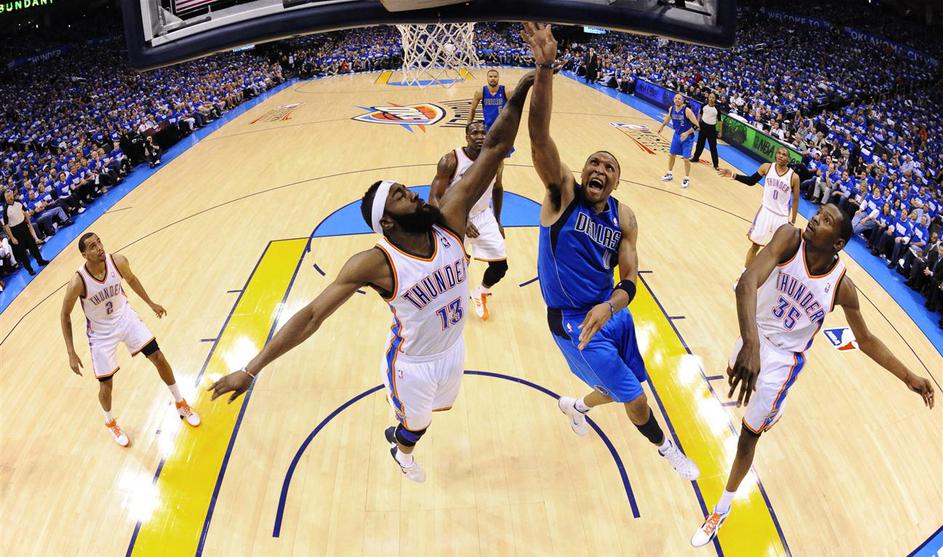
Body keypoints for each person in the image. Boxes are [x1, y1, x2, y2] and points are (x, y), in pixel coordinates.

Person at [208, 70, 536, 483]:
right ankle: (401, 451)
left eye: (406, 189)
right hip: (411, 364)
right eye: (400, 195)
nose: (414, 193)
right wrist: (251, 369)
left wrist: (524, 88)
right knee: (416, 427)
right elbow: (311, 316)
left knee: (434, 414)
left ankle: (405, 436)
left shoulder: (450, 218)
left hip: (453, 349)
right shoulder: (374, 263)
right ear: (386, 221)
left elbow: (497, 147)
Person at [691, 205, 935, 547]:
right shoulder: (789, 238)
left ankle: (722, 508)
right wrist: (751, 344)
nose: (816, 218)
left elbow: (865, 340)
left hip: (784, 360)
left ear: (837, 243)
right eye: (819, 213)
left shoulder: (841, 288)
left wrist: (908, 376)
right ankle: (765, 396)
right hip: (756, 332)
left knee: (748, 437)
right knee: (735, 371)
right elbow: (746, 282)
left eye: (826, 220)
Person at [522, 22, 699, 481]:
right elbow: (539, 138)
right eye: (594, 163)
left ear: (616, 181)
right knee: (635, 398)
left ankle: (575, 406)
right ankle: (668, 452)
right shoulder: (563, 195)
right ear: (583, 172)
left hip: (611, 312)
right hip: (572, 321)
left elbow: (630, 281)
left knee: (621, 383)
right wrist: (545, 69)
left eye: (609, 166)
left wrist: (611, 305)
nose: (600, 168)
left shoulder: (625, 219)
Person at [60, 232, 201, 447]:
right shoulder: (78, 282)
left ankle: (180, 403)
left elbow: (132, 279)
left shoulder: (117, 261)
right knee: (106, 385)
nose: (99, 248)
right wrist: (71, 352)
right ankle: (110, 422)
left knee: (158, 357)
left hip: (125, 318)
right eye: (92, 246)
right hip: (101, 334)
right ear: (84, 254)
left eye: (99, 242)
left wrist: (151, 303)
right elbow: (65, 315)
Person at [430, 121, 508, 320]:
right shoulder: (450, 160)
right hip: (454, 216)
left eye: (483, 132)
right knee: (453, 271)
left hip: (483, 216)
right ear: (466, 137)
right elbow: (434, 198)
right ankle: (445, 303)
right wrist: (459, 221)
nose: (480, 136)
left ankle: (480, 292)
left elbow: (498, 188)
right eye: (474, 133)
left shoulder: (496, 160)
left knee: (500, 267)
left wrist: (498, 220)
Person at [719, 147, 799, 284]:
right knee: (755, 246)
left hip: (781, 218)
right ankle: (744, 276)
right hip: (766, 212)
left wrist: (793, 220)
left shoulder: (794, 177)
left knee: (775, 254)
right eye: (779, 153)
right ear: (776, 155)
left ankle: (766, 283)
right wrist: (733, 174)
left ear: (788, 159)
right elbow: (751, 181)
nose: (781, 156)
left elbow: (796, 199)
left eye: (784, 154)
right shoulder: (766, 167)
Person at [468, 69, 512, 211]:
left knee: (498, 165)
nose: (493, 78)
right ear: (487, 78)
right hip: (486, 132)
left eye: (495, 76)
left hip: (502, 133)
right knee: (481, 161)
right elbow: (472, 109)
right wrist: (469, 125)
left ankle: (496, 188)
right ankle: (481, 191)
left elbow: (515, 109)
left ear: (498, 78)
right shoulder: (480, 92)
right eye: (491, 76)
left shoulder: (506, 91)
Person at [2, 189, 49, 275]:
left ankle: (40, 261)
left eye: (10, 195)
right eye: (7, 196)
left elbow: (25, 213)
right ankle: (29, 269)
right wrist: (12, 238)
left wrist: (29, 223)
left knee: (33, 246)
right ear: (5, 198)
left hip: (24, 226)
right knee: (22, 253)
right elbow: (6, 226)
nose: (10, 197)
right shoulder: (5, 210)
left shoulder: (18, 202)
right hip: (15, 231)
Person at [658, 93, 699, 188]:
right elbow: (668, 118)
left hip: (687, 138)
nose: (677, 100)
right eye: (675, 98)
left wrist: (686, 133)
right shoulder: (671, 109)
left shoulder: (687, 111)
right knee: (672, 154)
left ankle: (686, 178)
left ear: (682, 101)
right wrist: (662, 126)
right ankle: (669, 173)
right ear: (673, 100)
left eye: (679, 99)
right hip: (677, 135)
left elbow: (696, 126)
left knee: (686, 159)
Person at [689, 92, 721, 170]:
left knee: (713, 147)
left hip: (712, 129)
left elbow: (720, 121)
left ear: (715, 99)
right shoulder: (704, 105)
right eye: (710, 97)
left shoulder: (717, 109)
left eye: (713, 98)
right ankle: (695, 158)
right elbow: (700, 115)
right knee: (700, 144)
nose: (711, 99)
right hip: (703, 126)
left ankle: (716, 164)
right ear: (708, 97)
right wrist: (698, 124)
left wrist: (720, 131)